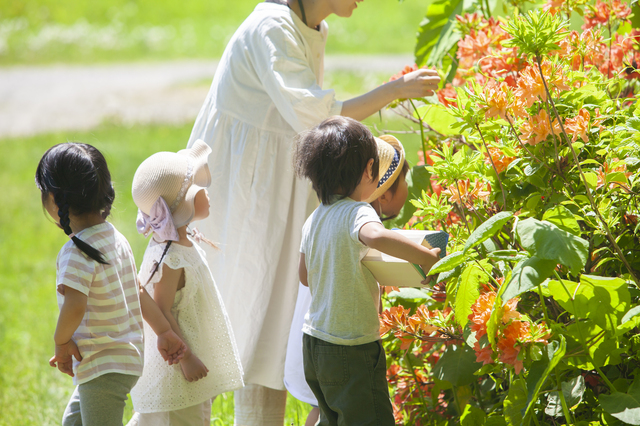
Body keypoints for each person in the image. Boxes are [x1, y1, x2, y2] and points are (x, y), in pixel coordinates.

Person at [187, 1, 440, 421]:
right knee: (231, 312)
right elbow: (315, 116)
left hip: (278, 183)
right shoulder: (272, 26)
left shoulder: (311, 26)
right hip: (246, 184)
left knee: (274, 319)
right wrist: (394, 90)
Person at [293, 116, 440, 425]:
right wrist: (425, 258)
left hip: (314, 344)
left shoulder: (316, 218)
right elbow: (376, 236)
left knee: (333, 417)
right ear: (370, 169)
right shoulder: (357, 211)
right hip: (351, 347)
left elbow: (304, 276)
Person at [36, 142, 187, 426]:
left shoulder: (75, 252)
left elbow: (75, 305)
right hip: (121, 360)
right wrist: (163, 331)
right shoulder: (115, 237)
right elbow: (137, 290)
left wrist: (62, 342)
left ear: (54, 200)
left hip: (103, 364)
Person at [127, 140, 244, 426]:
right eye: (198, 187)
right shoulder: (171, 257)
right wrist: (186, 357)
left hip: (189, 365)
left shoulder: (181, 242)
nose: (207, 190)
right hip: (176, 371)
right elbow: (161, 309)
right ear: (185, 202)